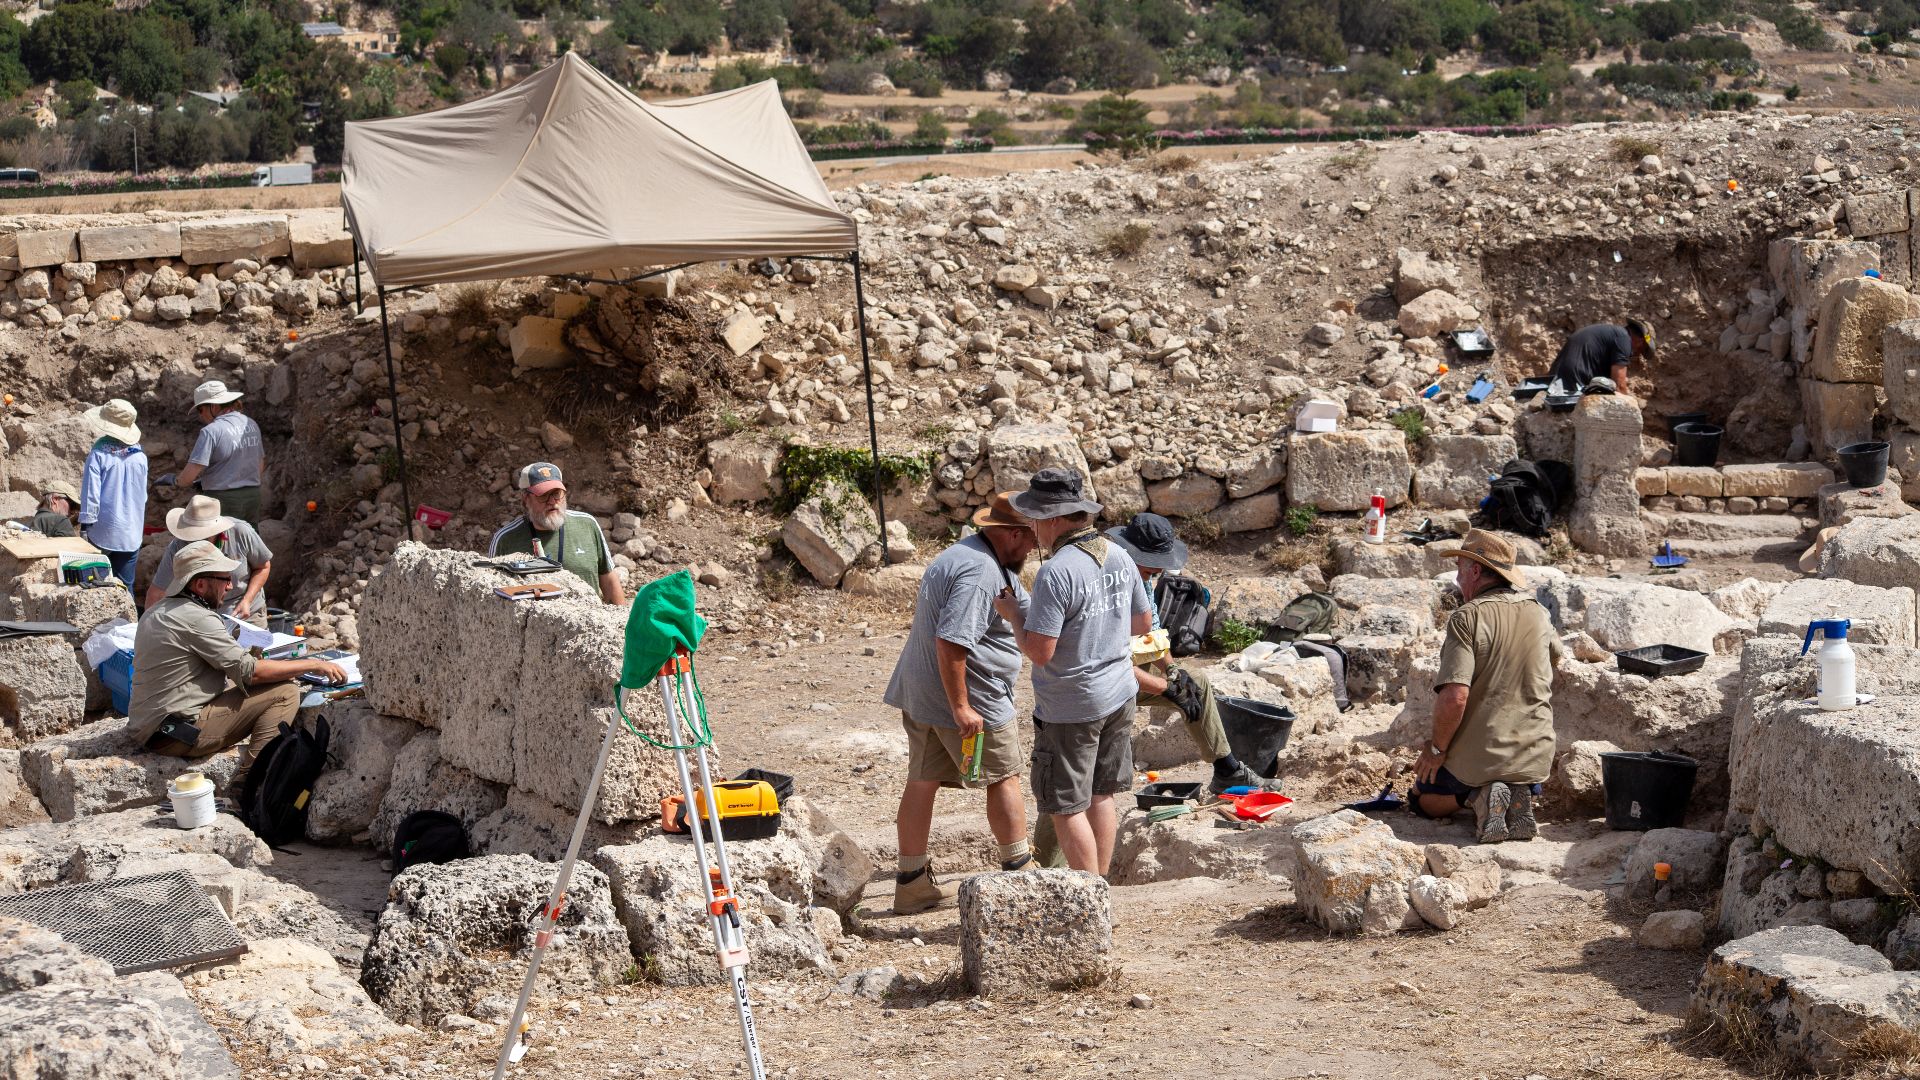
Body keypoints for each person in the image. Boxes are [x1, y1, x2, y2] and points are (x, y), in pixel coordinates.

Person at [882, 492, 1039, 914]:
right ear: (1013, 534)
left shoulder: (969, 553)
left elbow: (1024, 607)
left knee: (922, 779)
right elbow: (951, 641)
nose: (1033, 547)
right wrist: (962, 708)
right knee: (1004, 776)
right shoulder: (980, 572)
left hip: (921, 692)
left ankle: (912, 884)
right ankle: (1021, 874)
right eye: (1031, 538)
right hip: (970, 696)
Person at [998, 468, 1151, 876]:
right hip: (1120, 693)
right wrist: (1098, 629)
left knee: (1066, 807)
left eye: (1034, 518)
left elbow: (1040, 652)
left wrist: (1016, 615)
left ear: (1052, 518)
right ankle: (1101, 891)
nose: (1032, 529)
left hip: (1073, 705)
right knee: (1102, 796)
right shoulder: (1119, 554)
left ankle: (1089, 896)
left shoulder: (1057, 571)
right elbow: (1142, 623)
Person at [127, 540, 346, 789]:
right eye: (224, 579)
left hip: (150, 726)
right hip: (175, 735)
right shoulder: (197, 618)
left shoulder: (157, 610)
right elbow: (250, 673)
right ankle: (252, 781)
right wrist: (312, 664)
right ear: (200, 585)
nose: (230, 586)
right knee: (285, 692)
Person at [1410, 529, 1559, 844]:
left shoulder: (1467, 617)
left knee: (1422, 799)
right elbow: (1555, 658)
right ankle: (1517, 792)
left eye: (1460, 570)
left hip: (1482, 759)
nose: (1457, 580)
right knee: (1514, 775)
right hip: (1533, 758)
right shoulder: (1539, 612)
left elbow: (1455, 697)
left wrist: (1436, 751)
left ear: (1475, 571)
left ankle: (1477, 795)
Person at [1105, 512, 1270, 795]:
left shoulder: (1141, 578)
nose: (1154, 575)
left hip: (1127, 667)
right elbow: (1110, 663)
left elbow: (1151, 634)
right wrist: (1166, 689)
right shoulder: (1108, 586)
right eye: (1150, 569)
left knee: (1195, 682)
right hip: (1103, 681)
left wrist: (1172, 671)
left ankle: (1227, 770)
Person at [488, 461, 623, 604]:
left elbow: (609, 580)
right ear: (525, 499)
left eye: (557, 494)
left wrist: (622, 617)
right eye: (543, 495)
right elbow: (490, 593)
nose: (552, 501)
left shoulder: (587, 525)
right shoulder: (505, 539)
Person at [146, 495, 273, 623]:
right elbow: (157, 592)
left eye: (199, 534)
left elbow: (263, 566)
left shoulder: (241, 533)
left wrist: (247, 600)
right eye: (190, 533)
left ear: (215, 531)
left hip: (245, 613)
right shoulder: (178, 546)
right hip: (201, 618)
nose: (194, 539)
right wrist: (147, 626)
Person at [164, 380, 264, 524]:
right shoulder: (251, 424)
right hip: (252, 496)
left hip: (223, 500)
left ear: (214, 406)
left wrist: (176, 481)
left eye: (200, 410)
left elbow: (189, 477)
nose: (200, 415)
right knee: (249, 536)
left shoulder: (211, 431)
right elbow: (259, 464)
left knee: (222, 537)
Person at [78, 398, 148, 595]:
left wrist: (85, 526)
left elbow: (91, 494)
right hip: (130, 534)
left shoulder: (99, 453)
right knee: (126, 587)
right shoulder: (140, 457)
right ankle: (130, 615)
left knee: (94, 586)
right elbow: (142, 497)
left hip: (102, 532)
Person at [1546, 319, 1655, 397]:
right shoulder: (1623, 339)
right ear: (1641, 340)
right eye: (1641, 350)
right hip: (1573, 380)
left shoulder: (1613, 335)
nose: (1636, 354)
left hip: (1558, 377)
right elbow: (1619, 385)